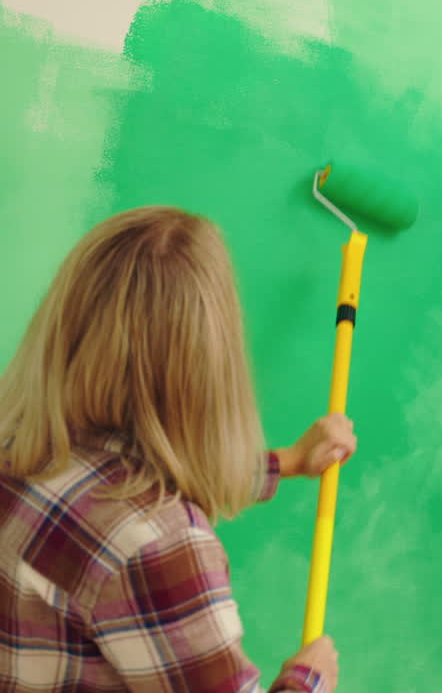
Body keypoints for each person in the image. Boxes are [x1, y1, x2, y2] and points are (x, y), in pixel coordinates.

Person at [0, 206, 356, 692]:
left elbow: (112, 484)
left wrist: (288, 462)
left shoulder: (19, 442)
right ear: (208, 363)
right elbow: (137, 519)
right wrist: (309, 679)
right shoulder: (158, 549)